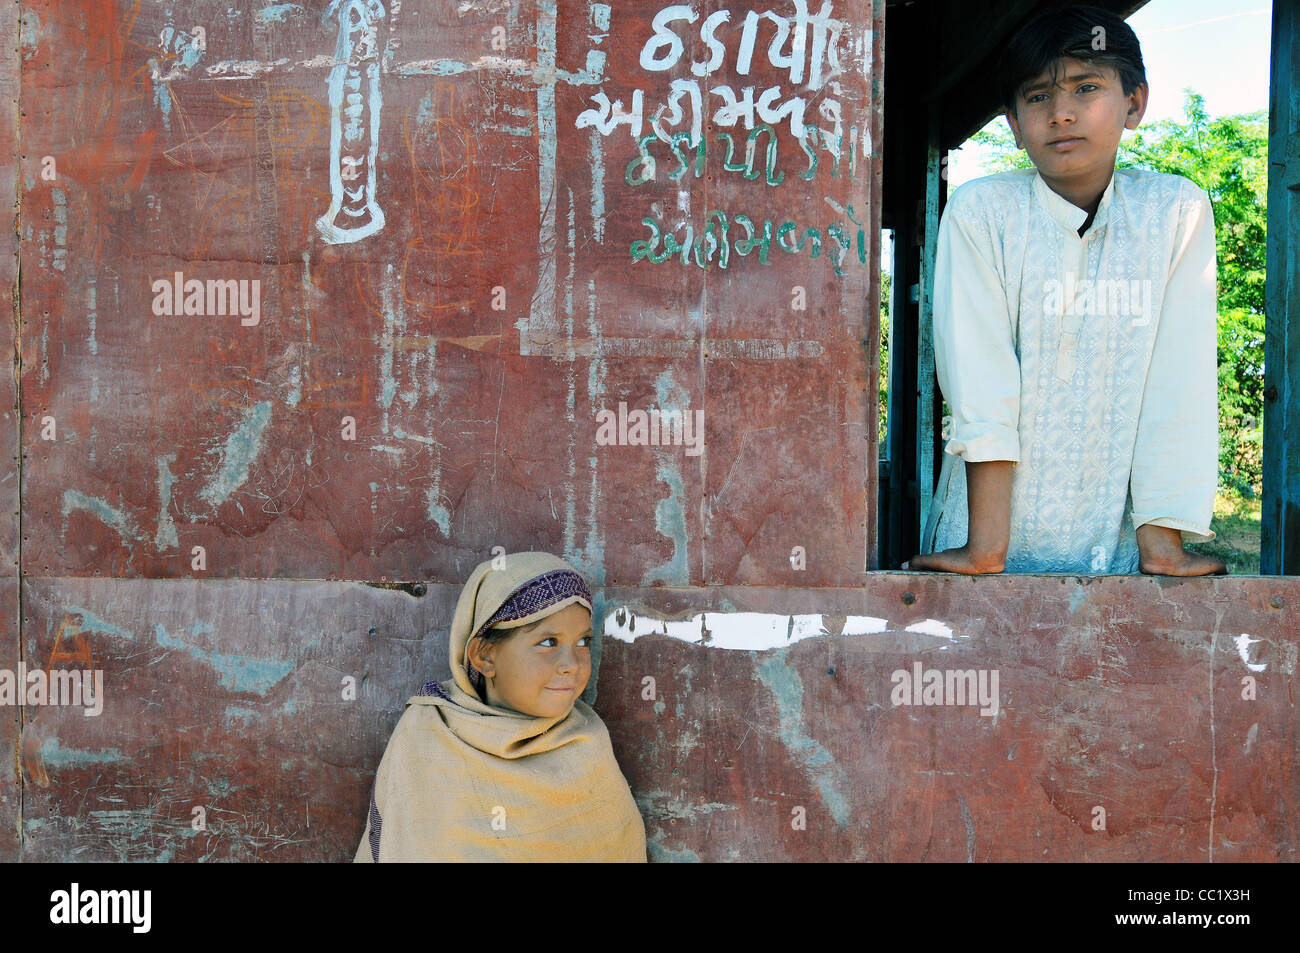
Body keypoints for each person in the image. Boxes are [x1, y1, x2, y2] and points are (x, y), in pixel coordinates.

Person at [906, 5, 1227, 576]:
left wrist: (1161, 547)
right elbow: (980, 380)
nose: (1061, 114)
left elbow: (1177, 383)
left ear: (1134, 103)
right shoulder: (983, 211)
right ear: (1011, 122)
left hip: (1120, 544)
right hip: (982, 537)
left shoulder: (1174, 210)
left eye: (1086, 87)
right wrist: (986, 549)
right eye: (1037, 97)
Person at [355, 551, 647, 861]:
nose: (572, 665)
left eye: (583, 642)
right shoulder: (428, 733)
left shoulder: (587, 743)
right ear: (485, 656)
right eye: (548, 643)